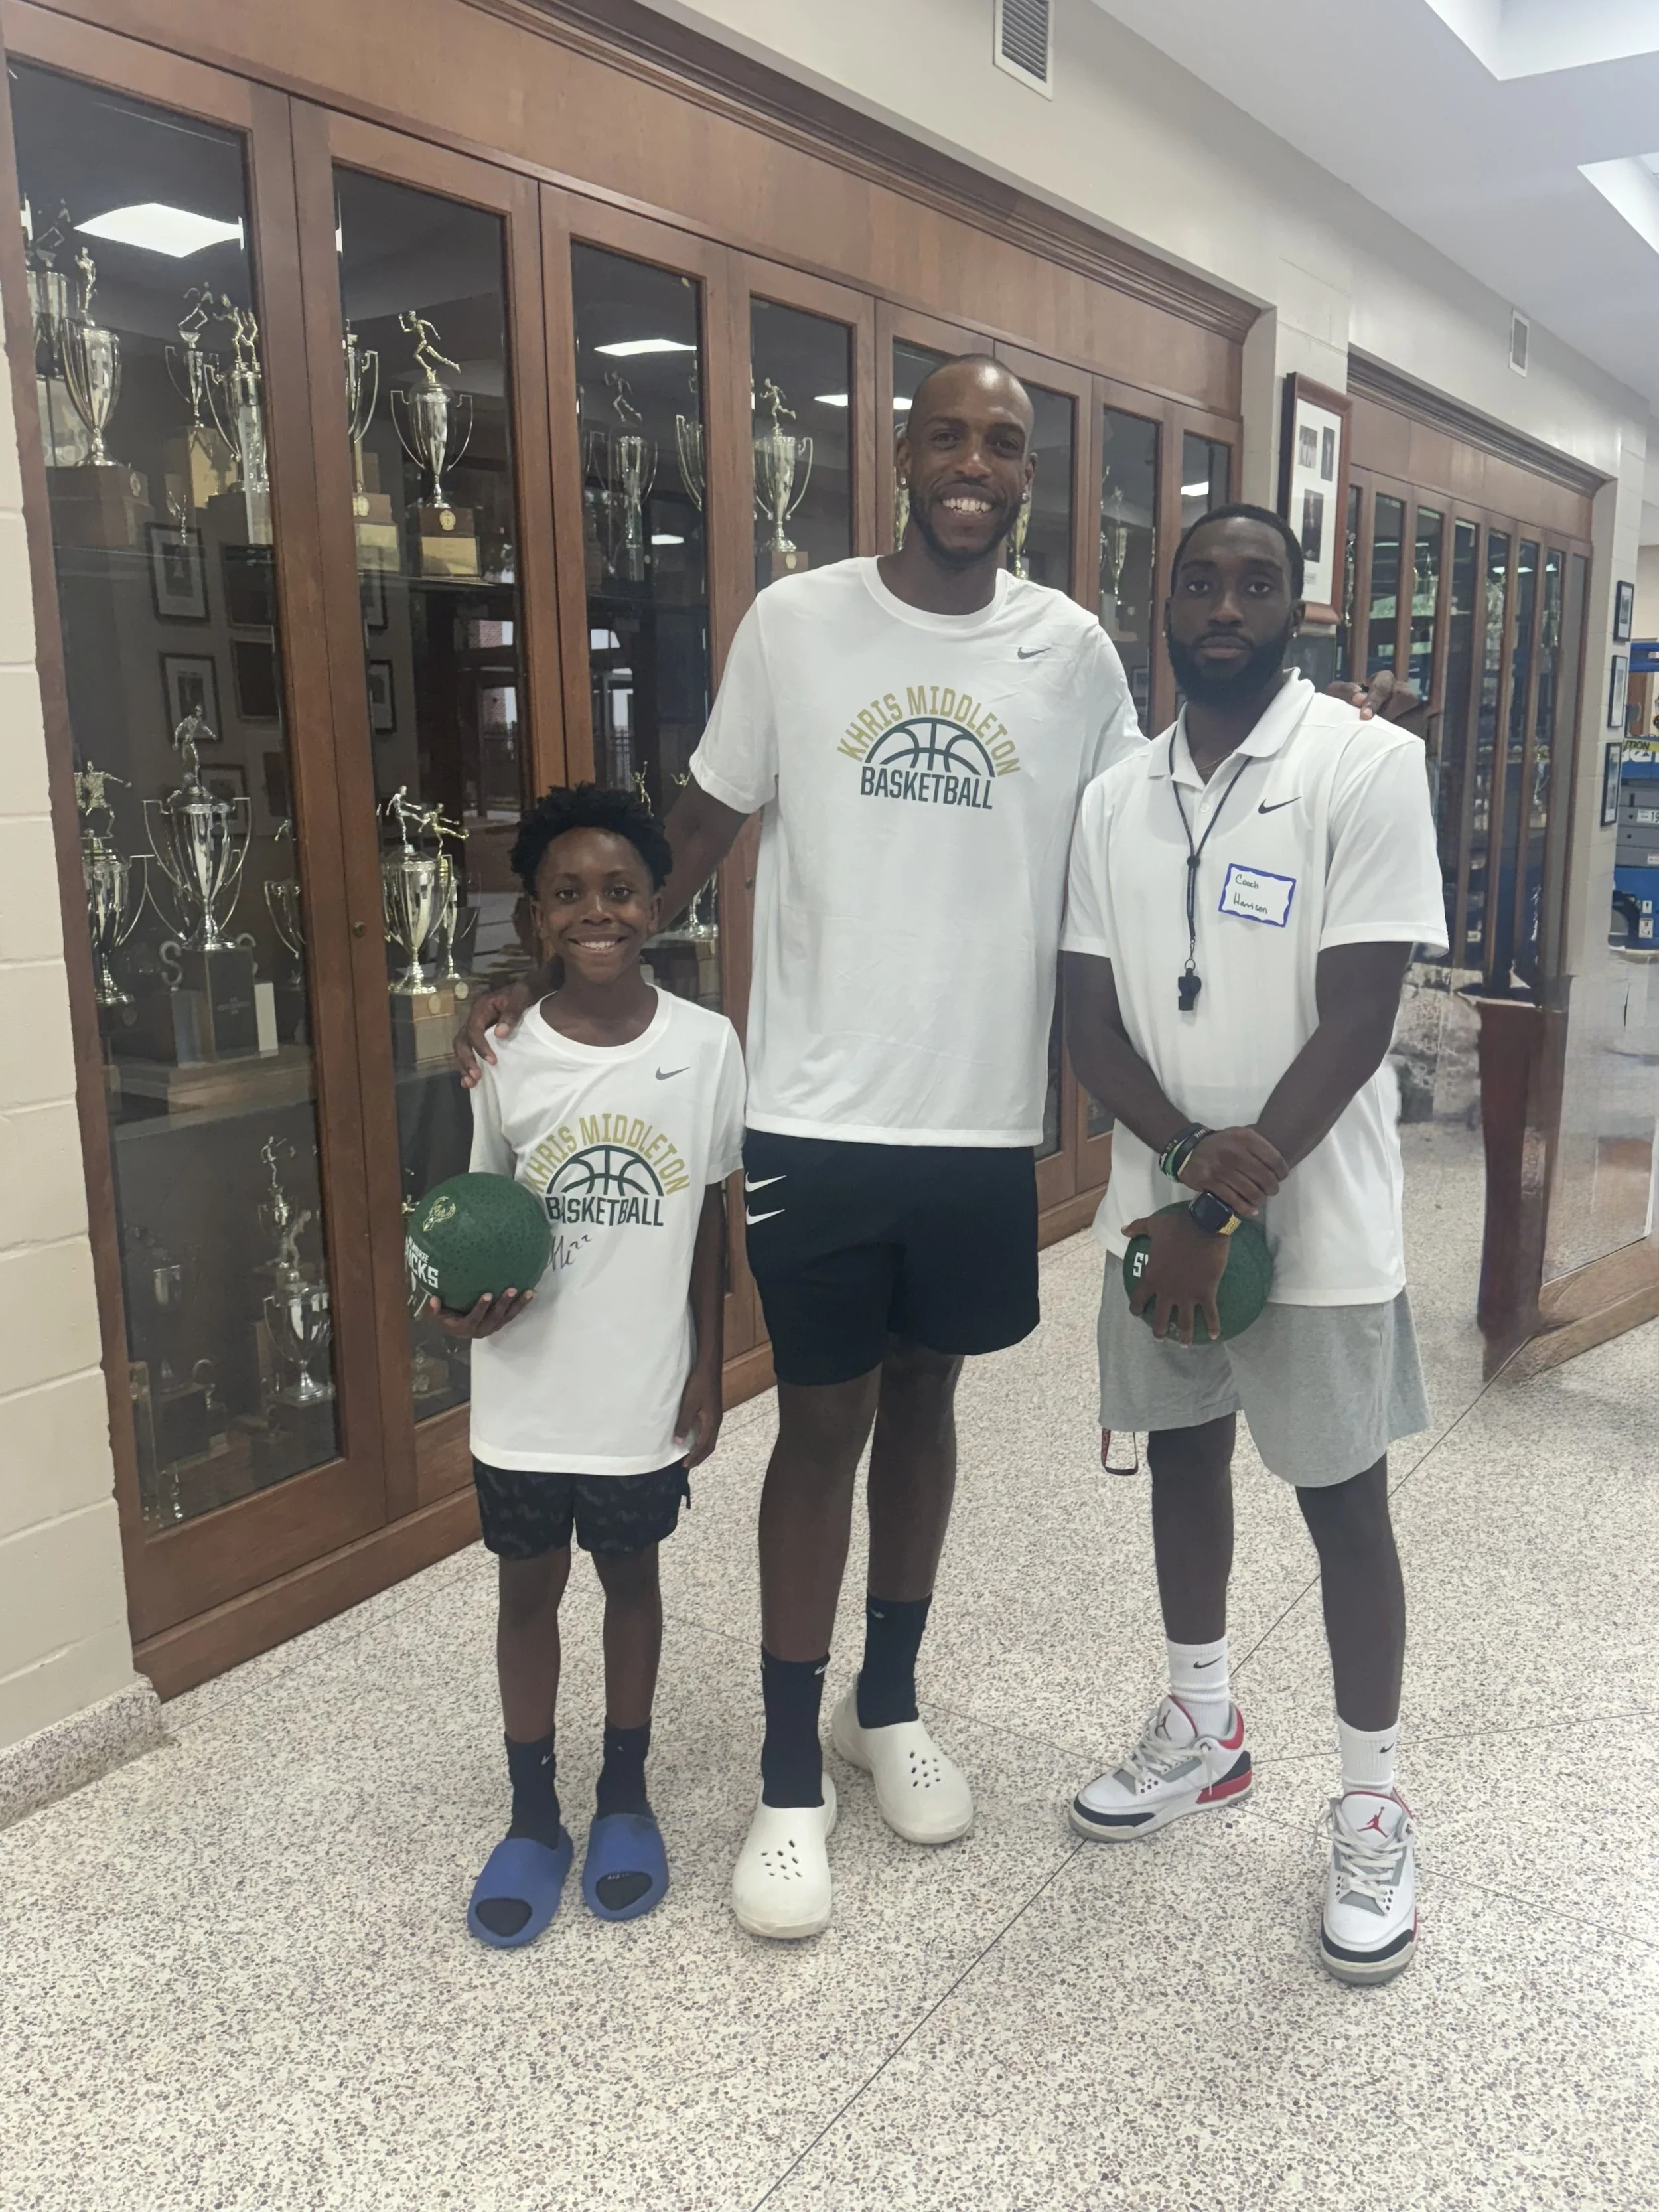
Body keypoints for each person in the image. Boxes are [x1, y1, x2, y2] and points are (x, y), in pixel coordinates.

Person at [455, 360, 1415, 1943]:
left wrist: (1337, 740)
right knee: (816, 1423)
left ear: (1026, 477)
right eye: (948, 436)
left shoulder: (1072, 653)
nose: (973, 463)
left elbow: (1161, 809)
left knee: (925, 1406)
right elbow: (688, 837)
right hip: (815, 1115)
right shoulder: (795, 622)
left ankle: (881, 1703)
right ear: (898, 452)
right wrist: (551, 967)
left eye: (1003, 445)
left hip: (976, 1123)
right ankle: (786, 1776)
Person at [1060, 504, 1447, 1985]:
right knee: (1180, 1463)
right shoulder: (1114, 797)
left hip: (1318, 1225)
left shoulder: (1364, 764)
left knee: (1343, 1505)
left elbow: (1357, 1016)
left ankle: (1371, 1804)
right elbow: (1088, 1024)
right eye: (1199, 582)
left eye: (1256, 583)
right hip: (1153, 1218)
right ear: (1162, 606)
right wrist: (1179, 1167)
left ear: (1299, 609)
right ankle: (1204, 1723)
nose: (1224, 605)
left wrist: (1221, 1205)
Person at [440, 782, 745, 1947]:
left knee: (631, 1584)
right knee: (527, 1595)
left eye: (620, 890)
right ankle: (533, 1819)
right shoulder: (503, 1051)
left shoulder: (706, 1047)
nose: (596, 911)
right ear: (535, 918)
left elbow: (711, 1220)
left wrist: (711, 1364)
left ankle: (624, 1795)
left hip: (638, 1391)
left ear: (657, 904)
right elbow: (476, 1218)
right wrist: (453, 1308)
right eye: (567, 894)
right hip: (524, 1394)